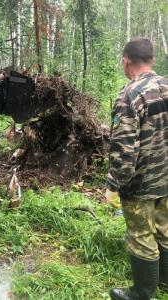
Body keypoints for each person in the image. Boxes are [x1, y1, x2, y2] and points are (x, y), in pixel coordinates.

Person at [105, 38, 168, 300]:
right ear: (152, 60)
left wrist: (113, 186)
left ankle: (141, 293)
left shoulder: (129, 96)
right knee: (165, 229)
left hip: (141, 184)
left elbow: (124, 150)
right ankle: (165, 281)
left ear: (126, 61)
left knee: (141, 235)